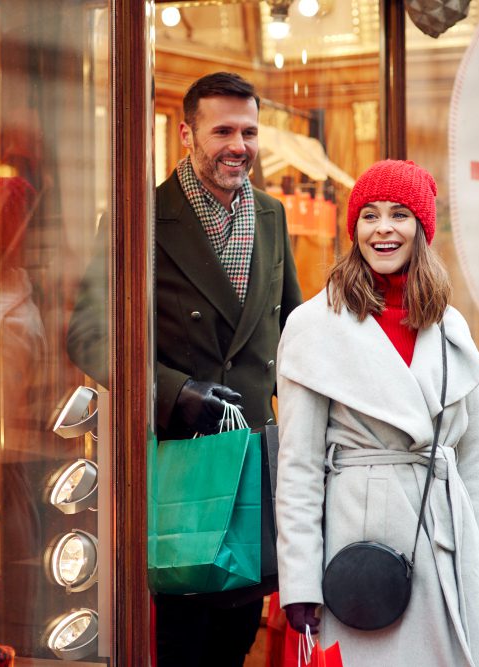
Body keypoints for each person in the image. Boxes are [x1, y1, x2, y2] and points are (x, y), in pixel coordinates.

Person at [67, 72, 302, 665]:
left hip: (250, 457)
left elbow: (291, 330)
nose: (239, 145)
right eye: (222, 130)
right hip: (177, 463)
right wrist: (173, 391)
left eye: (249, 131)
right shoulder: (140, 216)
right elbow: (88, 333)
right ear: (185, 134)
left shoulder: (271, 216)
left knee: (238, 632)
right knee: (181, 634)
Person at [274, 159, 479, 665]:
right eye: (369, 215)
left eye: (399, 214)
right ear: (353, 227)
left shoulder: (451, 326)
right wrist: (300, 582)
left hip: (448, 539)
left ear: (421, 229)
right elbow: (298, 468)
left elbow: (472, 463)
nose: (383, 229)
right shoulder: (315, 325)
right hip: (362, 551)